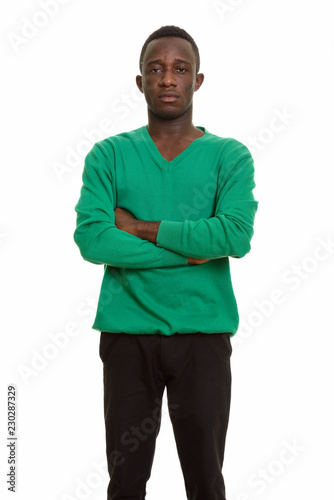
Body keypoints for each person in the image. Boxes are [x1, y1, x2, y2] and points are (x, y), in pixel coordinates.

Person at [73, 25, 258, 500]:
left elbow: (234, 236)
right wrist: (193, 249)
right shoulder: (109, 155)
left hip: (204, 336)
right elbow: (93, 240)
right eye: (155, 69)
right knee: (127, 480)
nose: (168, 78)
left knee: (205, 481)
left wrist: (138, 228)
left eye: (180, 69)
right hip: (127, 336)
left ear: (198, 81)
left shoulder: (230, 157)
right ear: (140, 82)